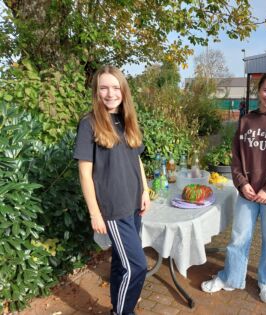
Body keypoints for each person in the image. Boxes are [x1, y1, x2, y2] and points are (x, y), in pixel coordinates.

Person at [201, 71, 266, 303]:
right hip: (247, 193)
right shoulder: (246, 120)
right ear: (258, 90)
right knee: (238, 238)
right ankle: (231, 278)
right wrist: (242, 184)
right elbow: (236, 158)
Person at [74, 65, 149, 315]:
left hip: (134, 204)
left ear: (123, 90)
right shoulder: (89, 124)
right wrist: (95, 213)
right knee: (137, 266)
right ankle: (122, 312)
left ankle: (118, 308)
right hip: (114, 208)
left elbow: (137, 159)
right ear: (96, 91)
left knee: (121, 263)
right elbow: (85, 173)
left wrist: (145, 191)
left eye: (115, 87)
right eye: (104, 87)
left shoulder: (127, 119)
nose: (110, 93)